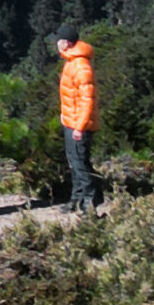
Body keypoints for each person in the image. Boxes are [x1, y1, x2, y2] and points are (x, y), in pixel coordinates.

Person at [54, 27, 98, 212]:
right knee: (75, 162)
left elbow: (87, 100)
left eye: (59, 40)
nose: (56, 43)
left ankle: (90, 203)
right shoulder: (72, 61)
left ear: (67, 43)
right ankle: (76, 199)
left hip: (78, 125)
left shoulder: (80, 66)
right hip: (71, 122)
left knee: (80, 163)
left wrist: (79, 127)